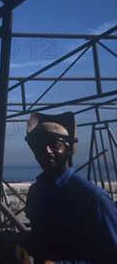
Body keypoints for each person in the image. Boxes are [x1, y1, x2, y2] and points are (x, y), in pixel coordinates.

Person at [23, 111, 117, 263]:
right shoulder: (36, 192)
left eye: (55, 145)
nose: (47, 151)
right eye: (41, 145)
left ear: (68, 150)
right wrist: (20, 241)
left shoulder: (92, 197)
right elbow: (42, 242)